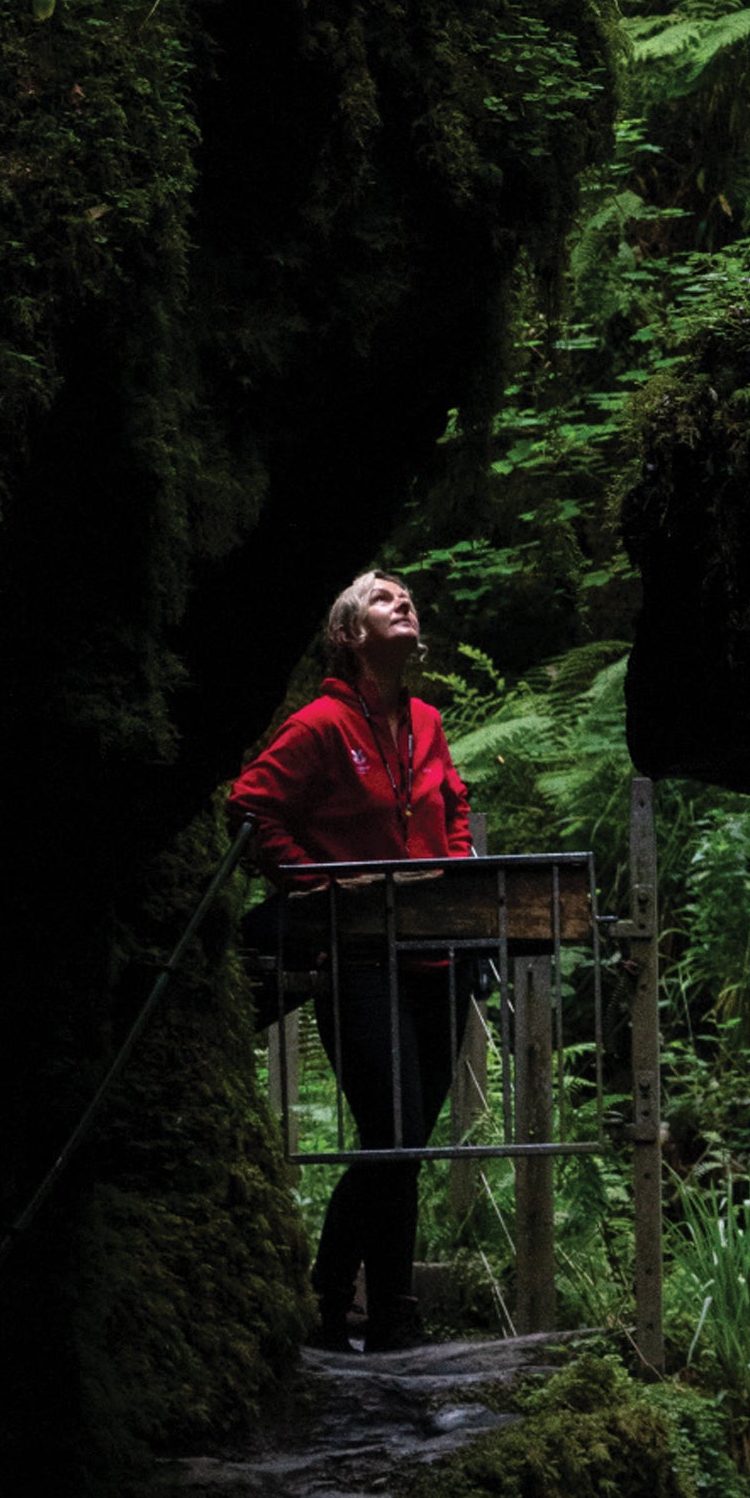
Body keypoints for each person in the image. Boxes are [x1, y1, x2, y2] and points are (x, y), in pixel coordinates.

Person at [229, 570, 474, 1353]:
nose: (402, 602)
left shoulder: (428, 722)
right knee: (393, 1131)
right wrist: (312, 886)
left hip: (440, 955)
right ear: (347, 632)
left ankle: (346, 1303)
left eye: (407, 597)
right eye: (382, 598)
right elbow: (252, 804)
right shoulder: (322, 724)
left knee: (400, 1143)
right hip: (359, 957)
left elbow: (456, 803)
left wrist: (461, 866)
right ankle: (382, 1311)